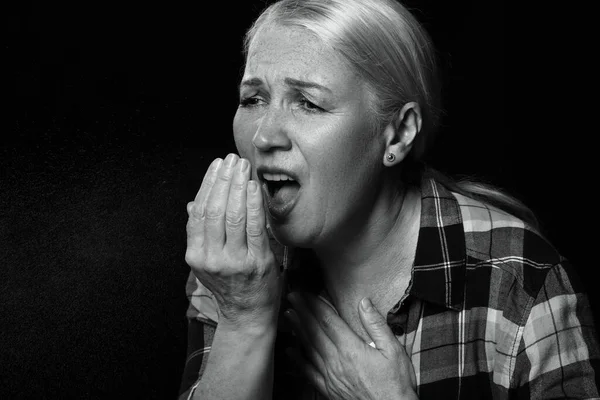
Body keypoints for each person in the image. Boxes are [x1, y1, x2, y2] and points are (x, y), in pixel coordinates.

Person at [178, 0, 600, 398]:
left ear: (397, 133)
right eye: (253, 99)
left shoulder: (519, 284)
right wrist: (243, 319)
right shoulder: (234, 265)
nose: (263, 137)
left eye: (307, 103)